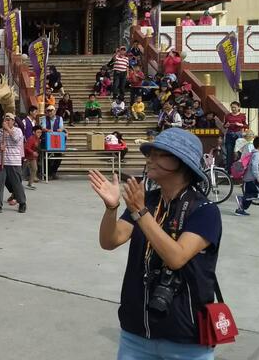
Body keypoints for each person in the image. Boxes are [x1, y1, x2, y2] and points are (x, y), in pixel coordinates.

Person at [90, 128, 222, 359]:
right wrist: (111, 208)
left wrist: (140, 212)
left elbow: (177, 257)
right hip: (136, 334)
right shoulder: (148, 201)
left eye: (160, 154)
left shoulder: (204, 211)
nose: (150, 159)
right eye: (150, 153)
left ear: (181, 163)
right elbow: (110, 241)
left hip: (186, 339)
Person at [0, 112, 28, 214]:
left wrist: (7, 129)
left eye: (9, 120)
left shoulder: (18, 131)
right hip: (1, 161)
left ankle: (22, 203)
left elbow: (16, 140)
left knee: (17, 183)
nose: (7, 121)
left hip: (14, 161)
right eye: (5, 119)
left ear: (13, 121)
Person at [236, 136, 259, 216]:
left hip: (249, 179)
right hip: (251, 179)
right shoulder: (257, 154)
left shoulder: (255, 153)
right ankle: (242, 199)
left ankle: (240, 209)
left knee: (249, 195)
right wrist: (258, 177)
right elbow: (254, 166)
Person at [42, 105, 64, 179]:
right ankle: (47, 173)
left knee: (59, 157)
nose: (50, 112)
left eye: (51, 111)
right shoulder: (44, 118)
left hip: (56, 141)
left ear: (54, 111)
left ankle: (53, 172)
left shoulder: (59, 118)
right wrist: (48, 130)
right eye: (48, 111)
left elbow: (61, 128)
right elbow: (43, 128)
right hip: (47, 140)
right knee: (46, 157)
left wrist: (60, 130)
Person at [223, 101, 247, 170]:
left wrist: (240, 125)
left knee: (239, 153)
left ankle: (238, 169)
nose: (233, 109)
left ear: (239, 107)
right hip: (230, 134)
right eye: (232, 107)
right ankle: (229, 169)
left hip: (239, 135)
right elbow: (224, 125)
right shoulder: (227, 116)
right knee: (229, 152)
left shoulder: (242, 116)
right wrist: (226, 125)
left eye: (235, 107)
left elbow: (246, 125)